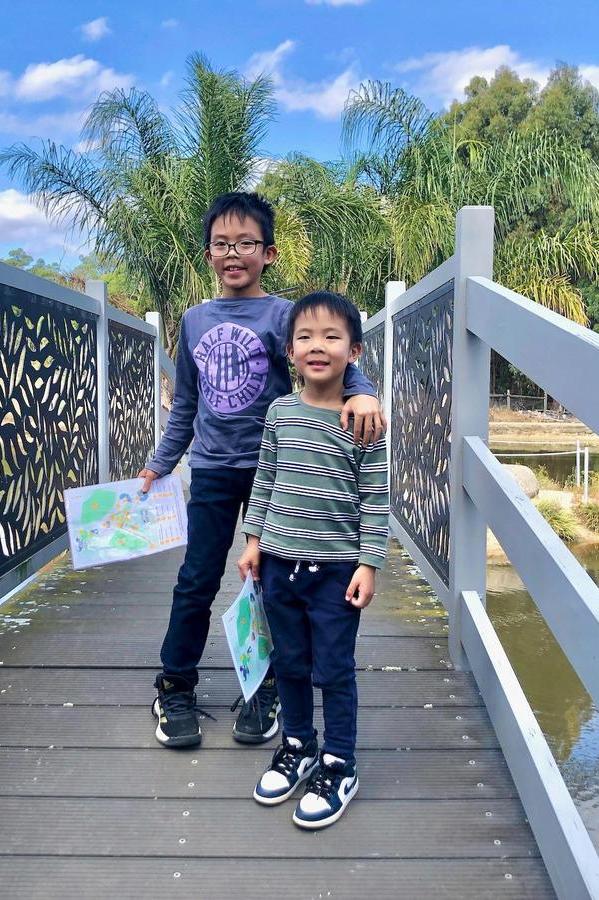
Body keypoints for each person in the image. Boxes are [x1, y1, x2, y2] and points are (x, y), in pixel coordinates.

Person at [138, 192, 385, 749]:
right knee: (196, 580)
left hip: (281, 471)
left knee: (273, 587)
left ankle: (270, 685)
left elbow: (330, 362)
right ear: (208, 254)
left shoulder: (283, 316)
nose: (234, 253)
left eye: (246, 244)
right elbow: (186, 403)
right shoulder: (195, 319)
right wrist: (160, 463)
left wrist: (366, 395)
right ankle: (174, 684)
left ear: (268, 253)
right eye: (222, 244)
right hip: (212, 469)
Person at [236, 290, 389, 830]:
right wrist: (253, 538)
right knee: (290, 662)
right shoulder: (279, 410)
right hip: (279, 563)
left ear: (356, 352)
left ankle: (339, 762)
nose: (317, 347)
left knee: (333, 668)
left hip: (335, 572)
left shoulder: (363, 420)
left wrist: (369, 563)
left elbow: (375, 495)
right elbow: (266, 478)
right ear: (289, 351)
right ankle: (298, 744)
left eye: (331, 337)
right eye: (304, 337)